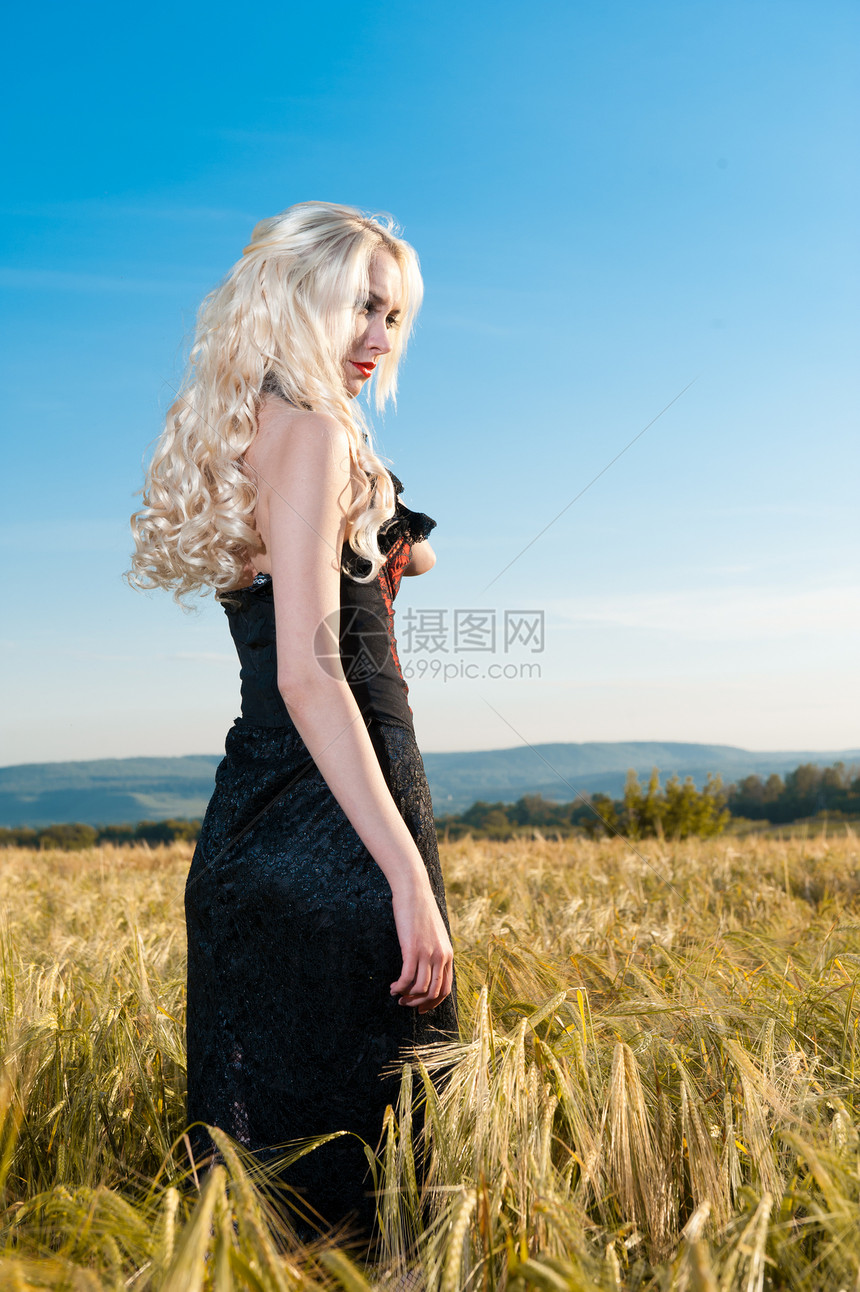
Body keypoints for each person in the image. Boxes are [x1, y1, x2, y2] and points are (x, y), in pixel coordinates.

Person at [126, 201, 458, 1249]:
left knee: (271, 1211)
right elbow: (317, 681)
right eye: (361, 304)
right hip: (339, 833)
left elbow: (328, 591)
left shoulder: (263, 432)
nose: (379, 337)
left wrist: (393, 538)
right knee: (380, 1195)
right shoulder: (311, 432)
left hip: (262, 826)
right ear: (296, 296)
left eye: (394, 315)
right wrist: (404, 875)